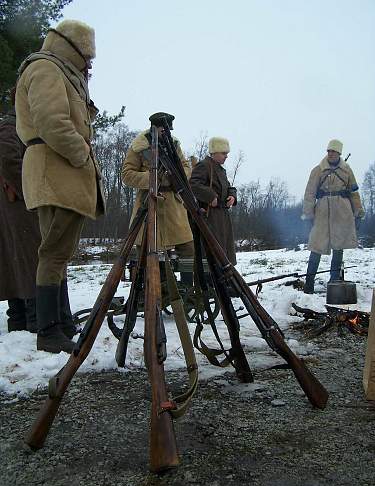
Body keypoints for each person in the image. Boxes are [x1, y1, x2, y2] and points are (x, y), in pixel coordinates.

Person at [15, 20, 105, 353]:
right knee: (53, 252)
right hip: (57, 168)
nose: (89, 64)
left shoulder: (57, 73)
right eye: (86, 56)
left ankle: (61, 321)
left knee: (59, 251)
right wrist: (81, 153)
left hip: (59, 170)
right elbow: (52, 121)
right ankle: (49, 331)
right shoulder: (46, 68)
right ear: (74, 49)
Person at [122, 112, 194, 265]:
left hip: (174, 206)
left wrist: (175, 176)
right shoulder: (139, 146)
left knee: (188, 249)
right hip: (148, 204)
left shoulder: (174, 144)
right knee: (146, 252)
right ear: (155, 128)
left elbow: (186, 167)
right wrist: (153, 177)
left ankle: (186, 288)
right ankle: (149, 287)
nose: (166, 133)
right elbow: (127, 175)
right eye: (163, 130)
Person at [0, 88, 41, 333]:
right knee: (30, 261)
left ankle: (20, 320)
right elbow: (8, 158)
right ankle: (32, 320)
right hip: (17, 204)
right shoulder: (11, 126)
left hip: (15, 205)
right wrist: (29, 193)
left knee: (19, 261)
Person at [301, 139, 364, 294]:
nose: (330, 154)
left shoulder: (347, 170)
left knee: (338, 247)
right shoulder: (318, 170)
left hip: (342, 212)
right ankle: (309, 282)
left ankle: (334, 282)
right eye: (329, 151)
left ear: (339, 153)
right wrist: (308, 214)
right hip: (322, 211)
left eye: (334, 151)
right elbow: (309, 194)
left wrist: (358, 212)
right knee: (316, 247)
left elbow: (354, 193)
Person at [189, 137, 237, 265]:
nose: (226, 156)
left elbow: (229, 186)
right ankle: (213, 280)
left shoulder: (220, 169)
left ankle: (226, 279)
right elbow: (193, 184)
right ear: (214, 152)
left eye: (227, 153)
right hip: (210, 216)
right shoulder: (204, 165)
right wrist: (210, 197)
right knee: (214, 252)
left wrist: (232, 196)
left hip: (223, 215)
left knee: (225, 251)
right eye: (223, 153)